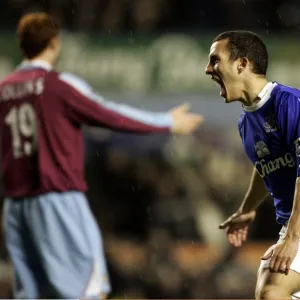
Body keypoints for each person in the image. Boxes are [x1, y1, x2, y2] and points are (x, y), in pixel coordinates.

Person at [0, 12, 203, 299]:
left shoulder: (4, 89)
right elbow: (108, 115)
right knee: (88, 289)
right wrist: (165, 121)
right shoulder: (59, 86)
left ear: (22, 45)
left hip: (16, 207)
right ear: (54, 44)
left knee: (31, 293)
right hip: (58, 199)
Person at [205, 30, 300, 299]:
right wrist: (247, 209)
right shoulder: (246, 124)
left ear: (242, 64)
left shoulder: (290, 103)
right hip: (293, 229)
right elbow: (267, 167)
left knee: (271, 290)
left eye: (215, 60)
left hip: (297, 230)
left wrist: (292, 239)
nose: (208, 69)